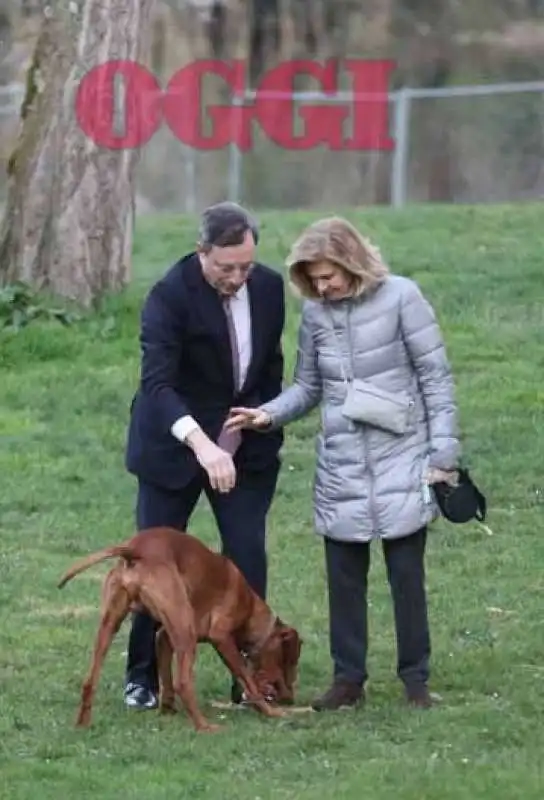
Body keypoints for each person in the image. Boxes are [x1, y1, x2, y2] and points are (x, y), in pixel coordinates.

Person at [226, 216, 461, 712]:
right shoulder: (315, 315)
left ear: (352, 262)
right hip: (342, 462)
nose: (322, 286)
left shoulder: (402, 298)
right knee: (344, 578)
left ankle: (415, 679)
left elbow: (435, 377)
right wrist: (266, 415)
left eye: (328, 275)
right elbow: (309, 386)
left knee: (406, 575)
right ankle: (347, 679)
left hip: (403, 456)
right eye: (313, 279)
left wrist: (443, 451)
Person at [124, 201, 285, 710]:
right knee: (157, 564)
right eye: (226, 267)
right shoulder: (168, 297)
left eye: (246, 266)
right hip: (174, 447)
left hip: (242, 449)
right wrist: (202, 443)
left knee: (246, 554)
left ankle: (249, 677)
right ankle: (142, 676)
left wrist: (263, 416)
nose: (237, 277)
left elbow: (269, 364)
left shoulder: (269, 287)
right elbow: (157, 385)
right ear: (202, 252)